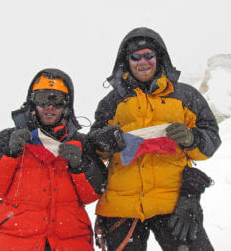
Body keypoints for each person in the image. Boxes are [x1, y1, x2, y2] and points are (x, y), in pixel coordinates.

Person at [88, 27, 221, 251]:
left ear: (159, 57)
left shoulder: (185, 96)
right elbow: (95, 149)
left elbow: (210, 141)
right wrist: (104, 140)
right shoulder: (111, 103)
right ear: (126, 61)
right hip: (122, 206)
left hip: (175, 203)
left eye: (148, 55)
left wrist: (191, 139)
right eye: (135, 57)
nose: (143, 61)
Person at [0, 68, 106, 251]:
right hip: (17, 242)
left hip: (70, 242)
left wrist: (80, 165)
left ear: (67, 105)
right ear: (32, 102)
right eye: (43, 98)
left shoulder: (80, 143)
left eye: (57, 100)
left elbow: (95, 193)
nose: (50, 107)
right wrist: (8, 153)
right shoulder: (8, 137)